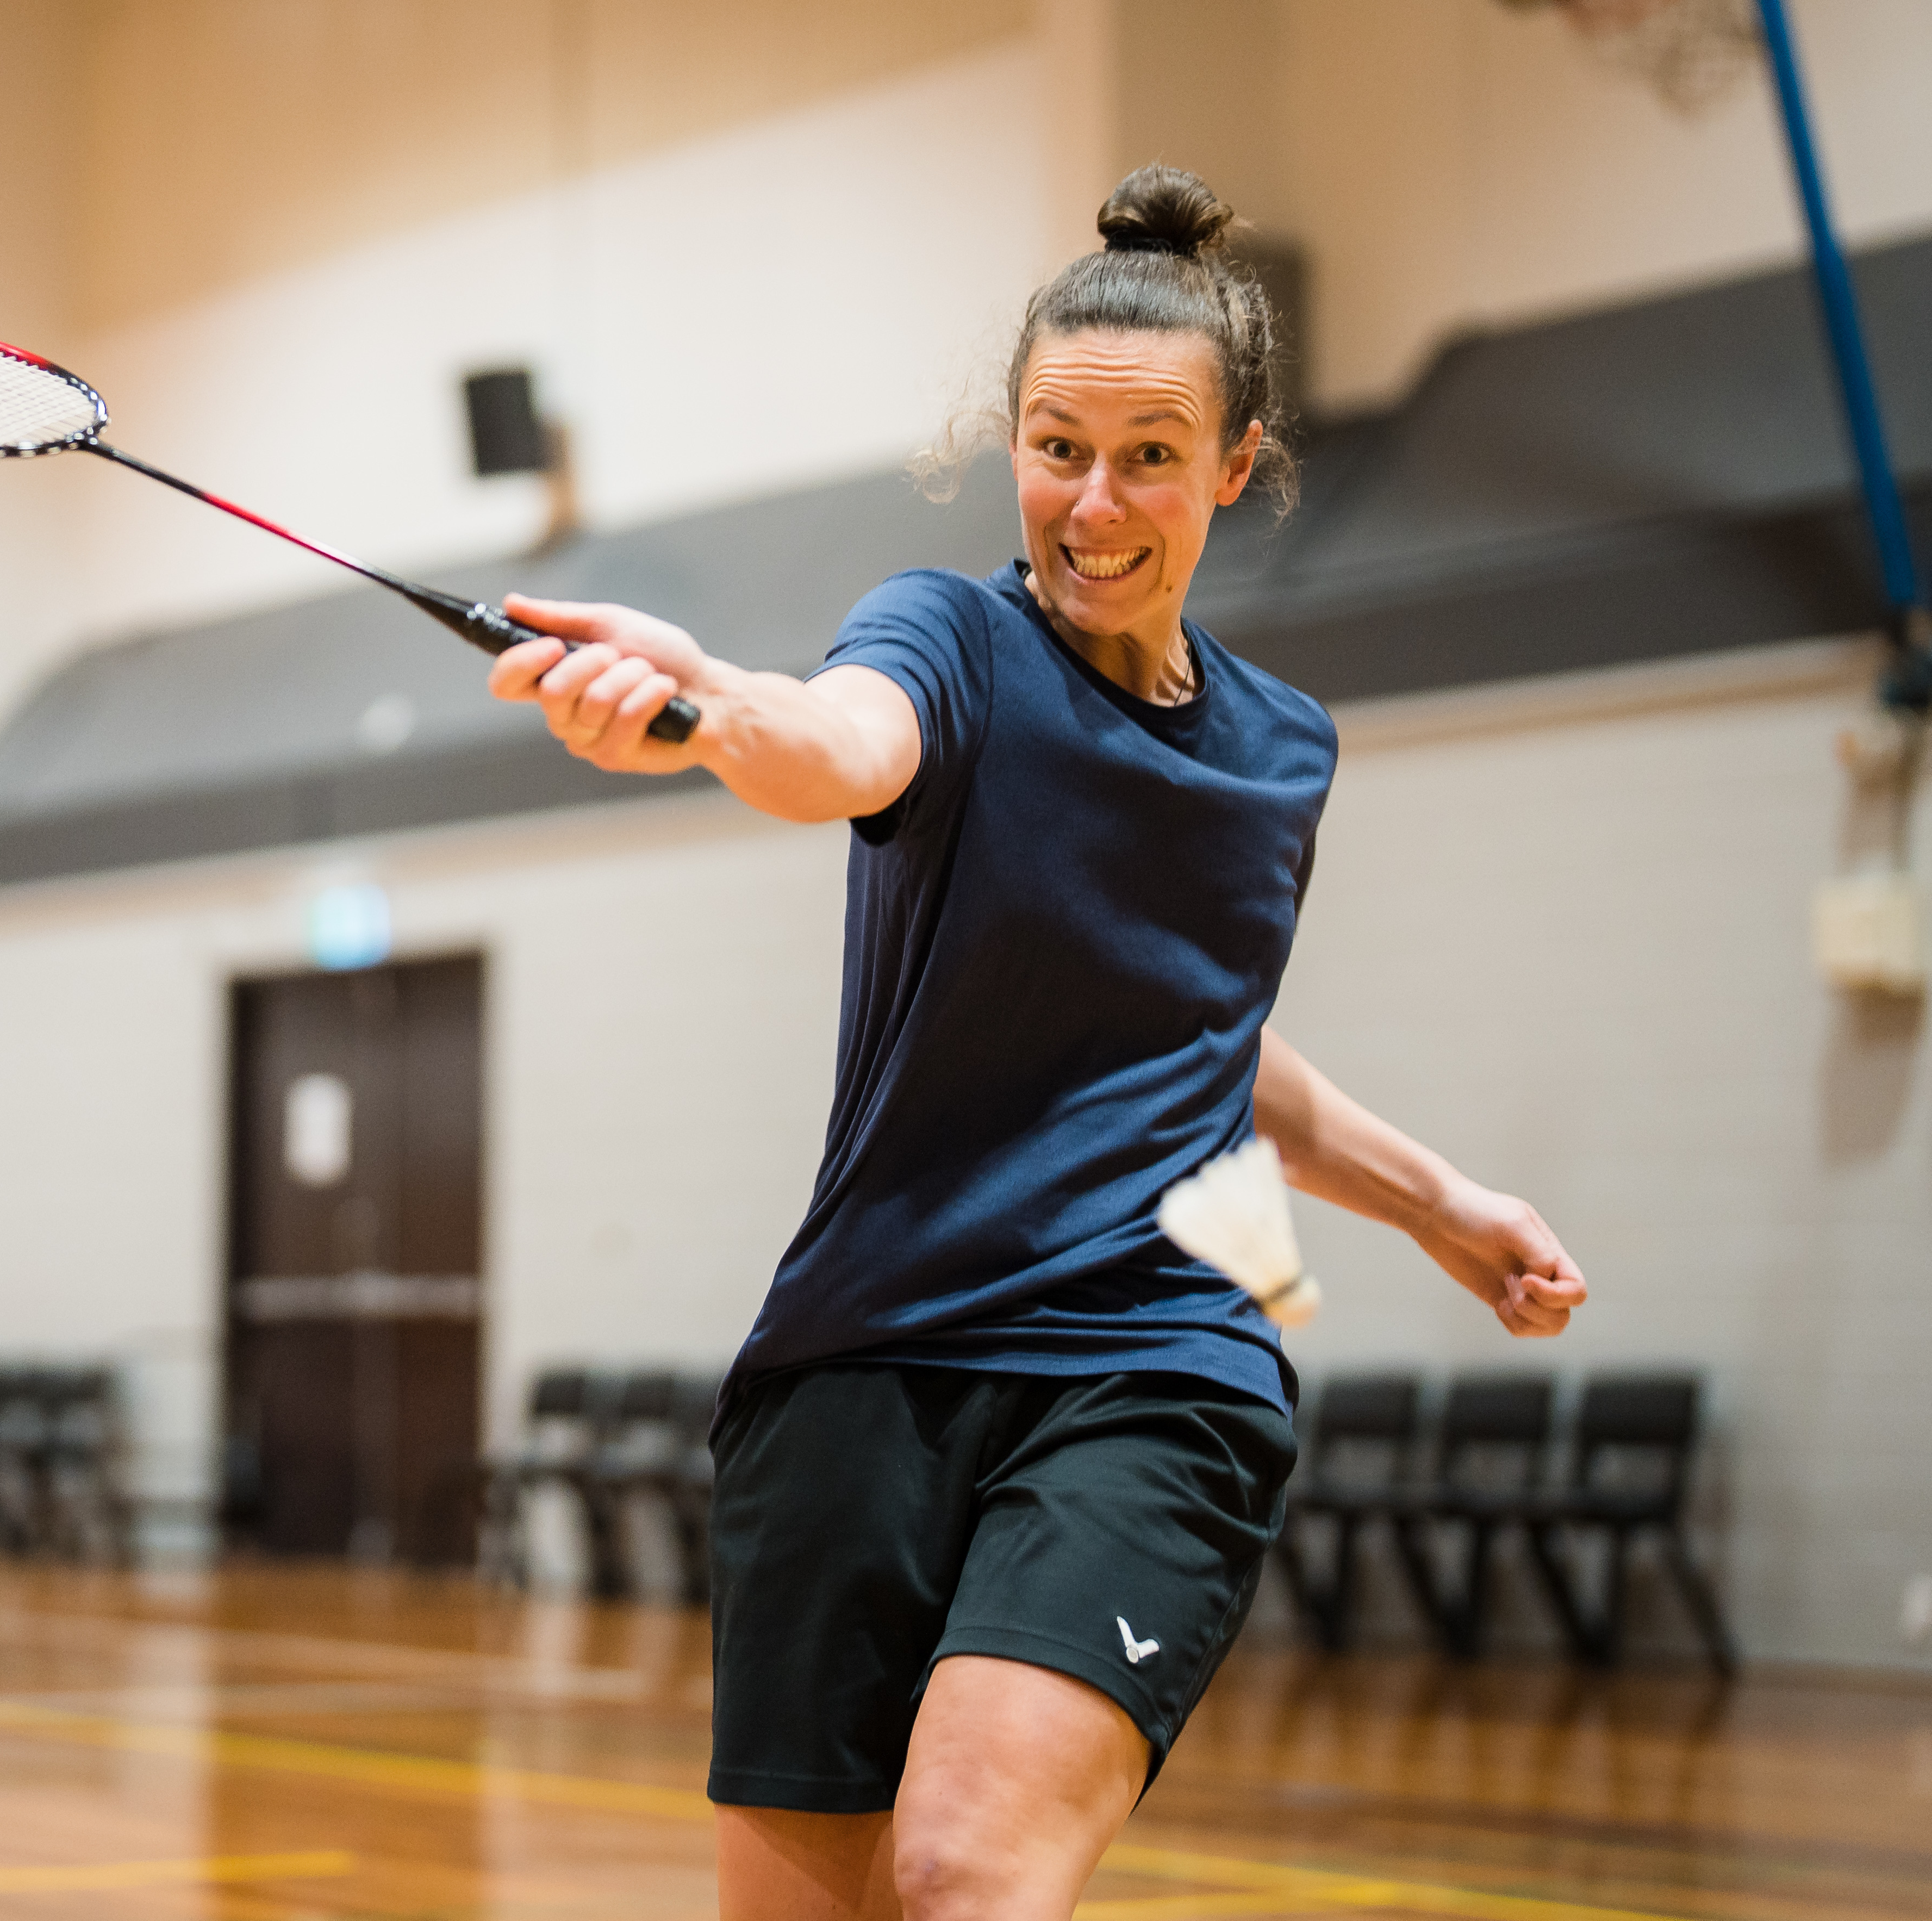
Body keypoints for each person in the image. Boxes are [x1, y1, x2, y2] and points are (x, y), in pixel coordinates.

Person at [487, 165, 1589, 1921]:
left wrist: (1437, 1201)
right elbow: (836, 745)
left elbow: (1194, 1040)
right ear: (1007, 442)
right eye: (1053, 447)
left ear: (1234, 465)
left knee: (964, 1873)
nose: (1092, 501)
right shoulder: (949, 641)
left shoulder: (1278, 753)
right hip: (856, 1368)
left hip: (1148, 1362)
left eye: (1149, 455)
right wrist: (709, 712)